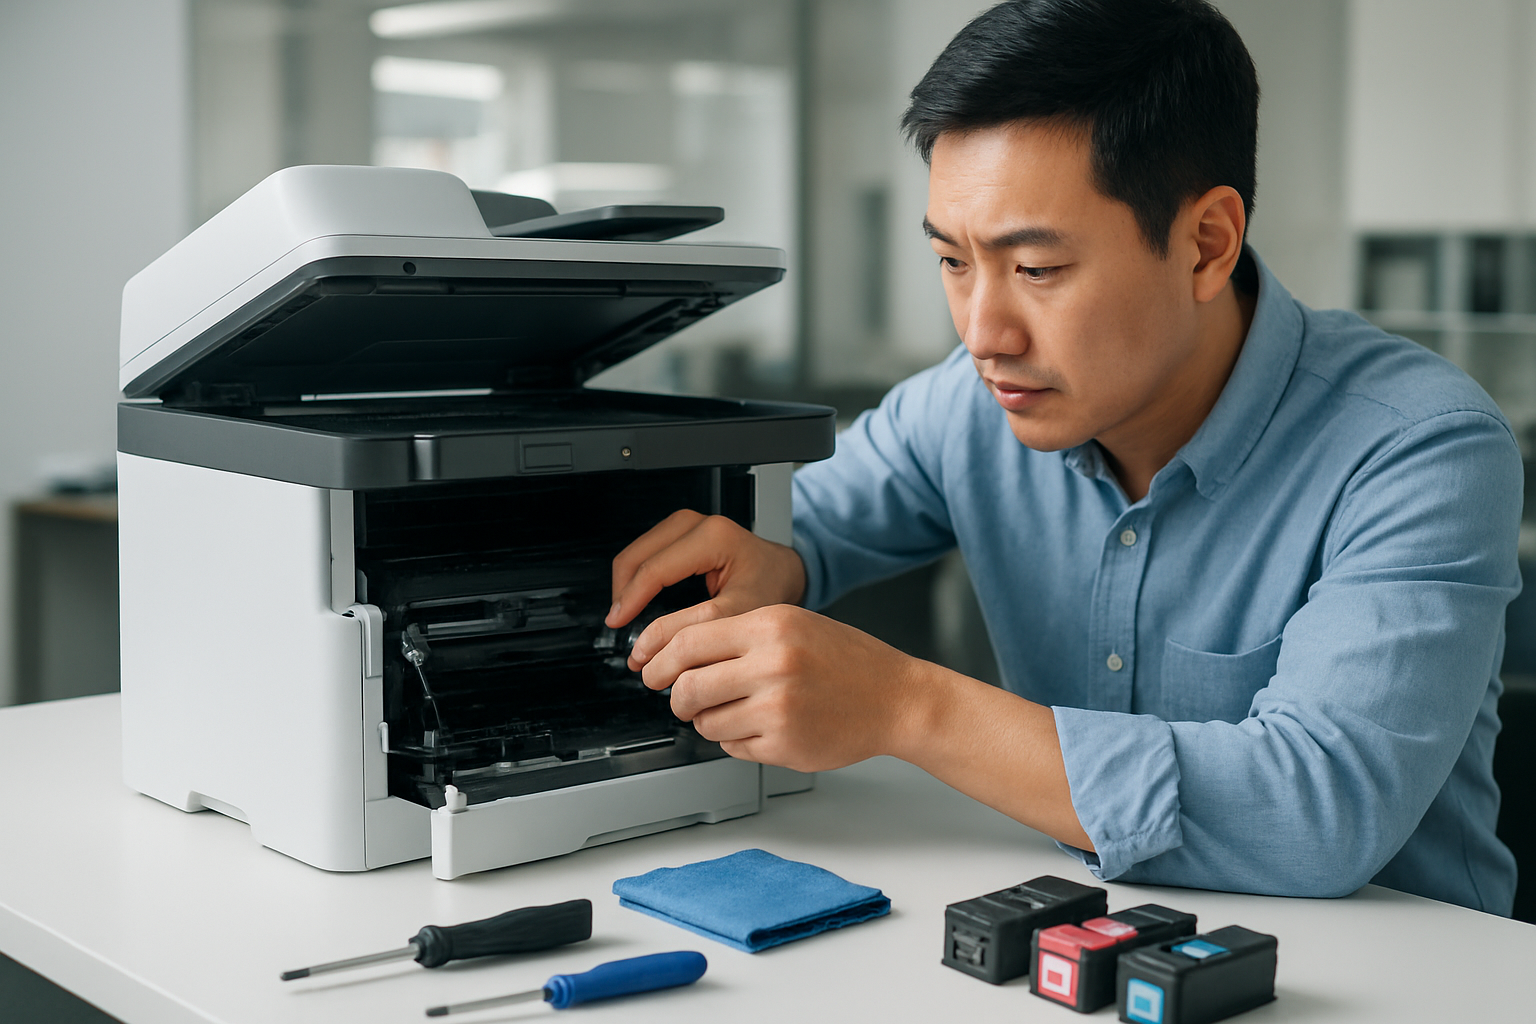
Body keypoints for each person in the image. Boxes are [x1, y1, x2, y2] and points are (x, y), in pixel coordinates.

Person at [604, 0, 1521, 914]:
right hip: (1078, 944)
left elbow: (1317, 811)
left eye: (1035, 270)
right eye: (954, 262)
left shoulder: (1419, 446)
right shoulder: (964, 408)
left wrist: (904, 705)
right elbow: (810, 527)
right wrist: (772, 555)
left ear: (1207, 245)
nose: (982, 332)